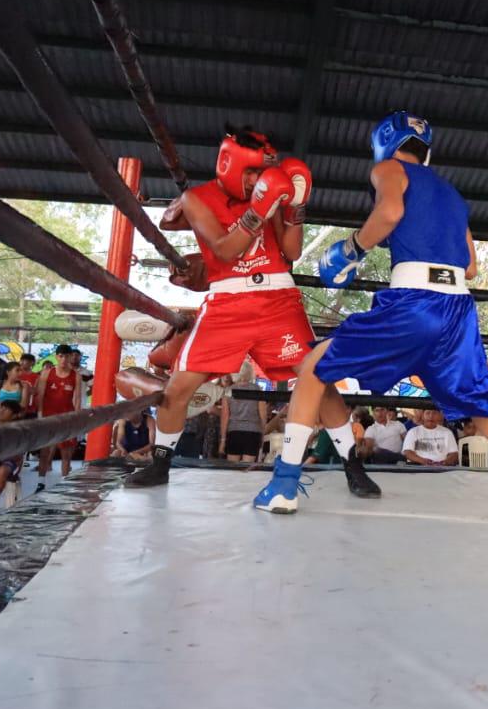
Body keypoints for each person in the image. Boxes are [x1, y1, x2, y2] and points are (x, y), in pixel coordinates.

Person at [257, 111, 488, 524]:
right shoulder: (453, 196)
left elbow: (388, 214)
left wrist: (352, 247)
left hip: (414, 304)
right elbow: (472, 266)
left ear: (385, 144)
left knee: (313, 367)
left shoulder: (389, 169)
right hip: (458, 313)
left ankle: (283, 484)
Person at [118, 126, 371, 492]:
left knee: (321, 380)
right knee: (178, 387)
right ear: (228, 164)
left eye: (260, 174)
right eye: (250, 172)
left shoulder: (273, 189)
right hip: (226, 302)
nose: (255, 181)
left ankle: (352, 464)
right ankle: (161, 463)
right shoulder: (197, 199)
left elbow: (292, 252)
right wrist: (259, 209)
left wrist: (295, 206)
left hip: (278, 300)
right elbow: (223, 251)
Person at [35, 344, 84, 487]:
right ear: (56, 357)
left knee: (66, 454)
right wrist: (40, 415)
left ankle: (63, 485)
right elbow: (41, 395)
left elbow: (77, 398)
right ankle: (40, 483)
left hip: (66, 418)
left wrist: (76, 417)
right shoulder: (46, 373)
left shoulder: (76, 376)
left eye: (66, 356)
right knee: (45, 452)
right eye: (60, 356)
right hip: (49, 418)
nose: (63, 359)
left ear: (70, 357)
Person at [219, 391, 266, 462]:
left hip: (234, 432)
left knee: (232, 468)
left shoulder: (229, 391)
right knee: (246, 468)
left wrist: (223, 440)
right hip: (252, 432)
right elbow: (263, 416)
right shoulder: (257, 389)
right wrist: (262, 435)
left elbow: (225, 417)